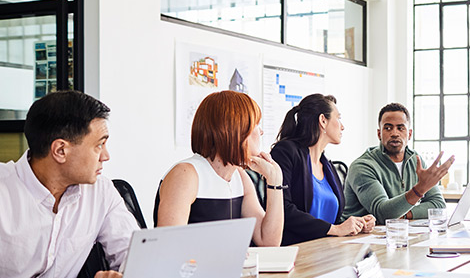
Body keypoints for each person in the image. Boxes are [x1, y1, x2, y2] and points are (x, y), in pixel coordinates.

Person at [0, 91, 139, 278]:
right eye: (99, 145)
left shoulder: (101, 192)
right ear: (60, 151)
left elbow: (135, 255)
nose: (106, 156)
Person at [155, 91, 283, 247]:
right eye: (255, 125)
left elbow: (269, 242)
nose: (261, 131)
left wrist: (275, 181)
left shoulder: (240, 177)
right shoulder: (186, 174)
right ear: (235, 131)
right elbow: (168, 246)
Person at [271, 94, 374, 245]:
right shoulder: (286, 152)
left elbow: (331, 218)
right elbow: (282, 209)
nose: (342, 126)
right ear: (323, 121)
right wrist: (336, 229)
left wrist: (357, 224)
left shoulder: (327, 164)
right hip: (297, 251)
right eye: (338, 118)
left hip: (327, 249)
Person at [343, 103, 453, 225]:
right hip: (356, 239)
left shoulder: (416, 161)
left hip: (394, 234)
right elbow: (382, 213)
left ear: (409, 134)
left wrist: (404, 214)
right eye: (388, 128)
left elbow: (438, 206)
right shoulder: (362, 167)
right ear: (379, 134)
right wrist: (420, 189)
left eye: (400, 128)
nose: (395, 133)